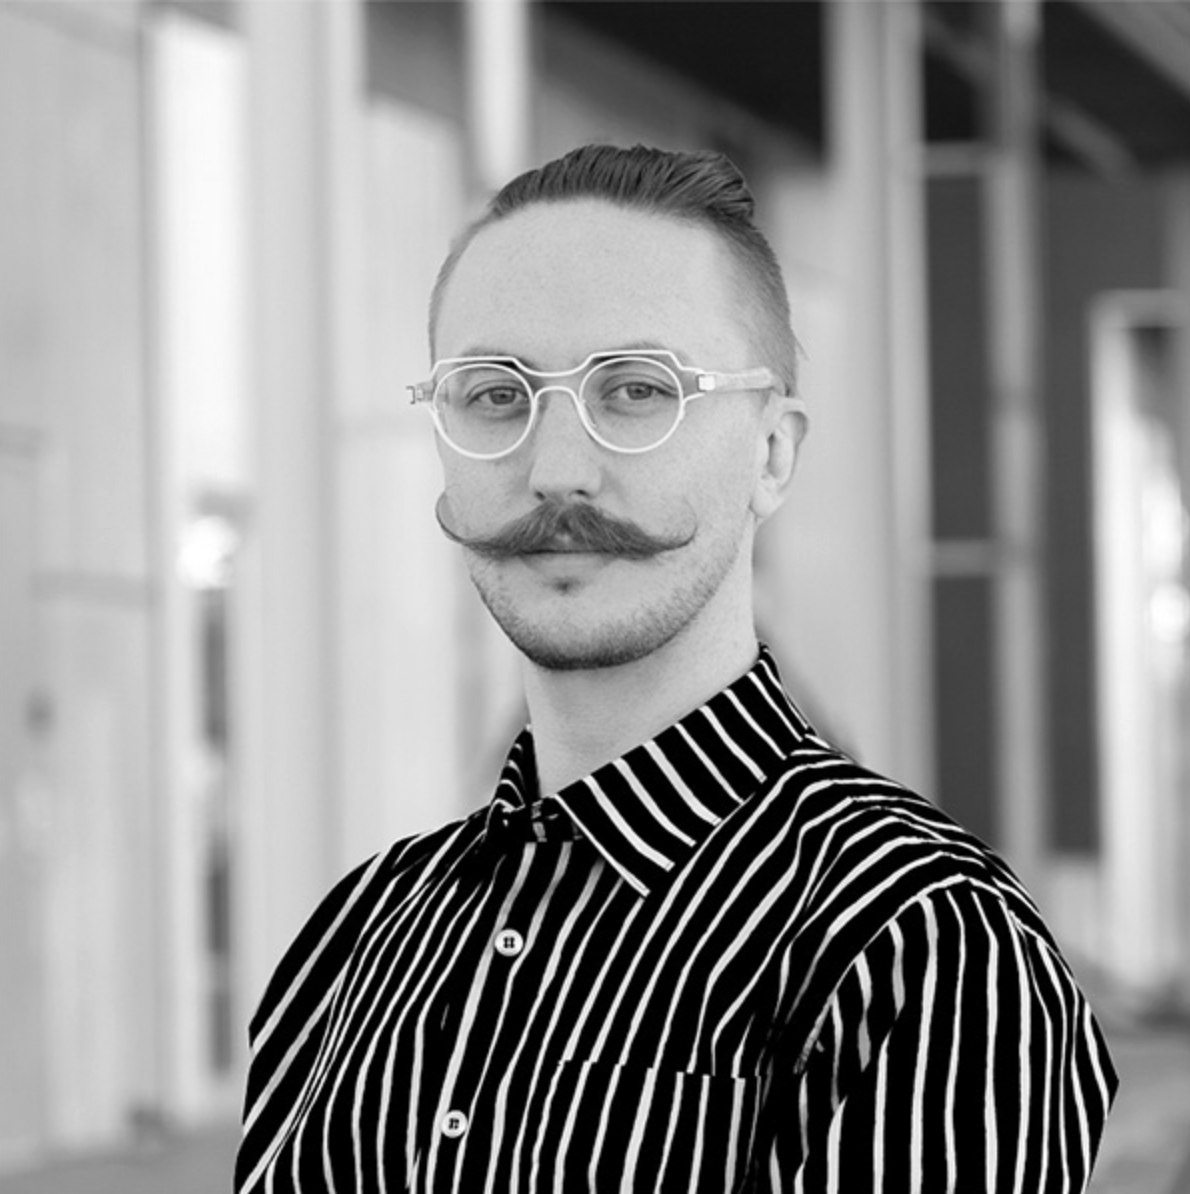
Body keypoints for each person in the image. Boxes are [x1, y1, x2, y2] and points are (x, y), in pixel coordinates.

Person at [235, 144, 1116, 1193]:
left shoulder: (917, 946)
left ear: (772, 453)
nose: (557, 470)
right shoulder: (356, 942)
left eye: (637, 390)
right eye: (494, 395)